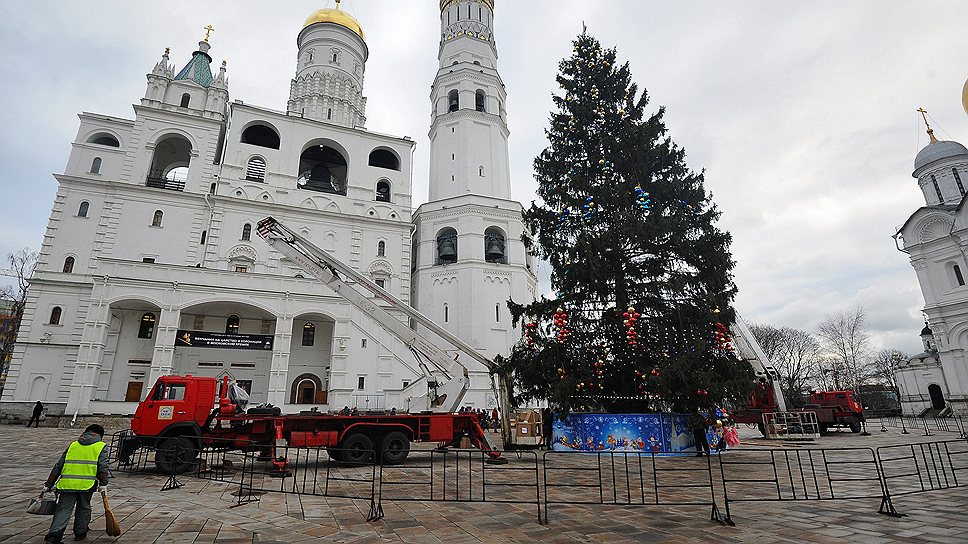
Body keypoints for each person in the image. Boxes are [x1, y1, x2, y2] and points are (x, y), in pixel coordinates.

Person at [43, 424, 110, 543]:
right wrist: (103, 484)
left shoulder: (73, 445)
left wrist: (49, 483)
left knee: (63, 509)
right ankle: (80, 532)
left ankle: (54, 535)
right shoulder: (101, 447)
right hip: (86, 484)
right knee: (84, 507)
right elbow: (103, 467)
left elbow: (58, 466)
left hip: (67, 483)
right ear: (100, 435)